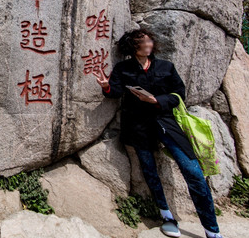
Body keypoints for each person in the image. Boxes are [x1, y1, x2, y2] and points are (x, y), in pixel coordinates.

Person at [95, 29, 223, 238]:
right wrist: (107, 86)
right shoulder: (123, 68)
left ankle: (212, 229)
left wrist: (156, 101)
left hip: (166, 123)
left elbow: (179, 94)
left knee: (192, 170)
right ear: (132, 46)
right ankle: (166, 216)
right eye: (142, 42)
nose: (148, 44)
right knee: (149, 170)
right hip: (137, 126)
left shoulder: (166, 67)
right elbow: (115, 92)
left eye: (149, 40)